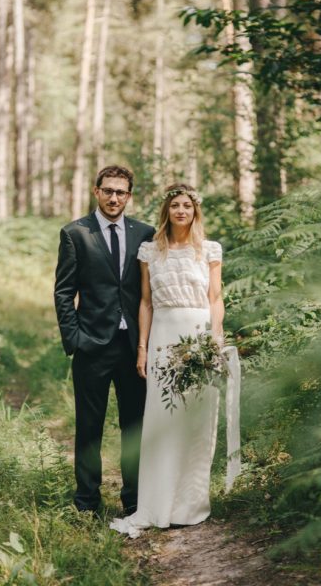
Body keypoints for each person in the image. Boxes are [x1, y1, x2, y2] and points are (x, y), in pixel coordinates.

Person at [110, 183, 225, 537]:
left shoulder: (209, 250)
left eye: (187, 206)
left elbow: (216, 298)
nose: (180, 211)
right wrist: (142, 347)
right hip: (162, 335)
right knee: (163, 417)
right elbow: (144, 302)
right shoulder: (150, 251)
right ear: (167, 210)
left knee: (195, 419)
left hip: (198, 335)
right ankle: (157, 502)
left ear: (195, 211)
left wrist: (214, 341)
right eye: (175, 205)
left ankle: (189, 504)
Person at [54, 165, 155, 515]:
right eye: (108, 190)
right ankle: (86, 503)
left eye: (121, 192)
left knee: (135, 425)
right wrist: (75, 339)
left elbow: (151, 290)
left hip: (134, 349)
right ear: (96, 191)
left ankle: (135, 501)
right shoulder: (75, 233)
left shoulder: (146, 233)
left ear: (129, 196)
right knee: (89, 427)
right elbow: (64, 292)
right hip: (92, 345)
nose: (114, 198)